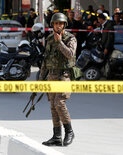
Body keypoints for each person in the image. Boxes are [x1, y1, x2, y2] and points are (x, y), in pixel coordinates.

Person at [39, 12, 77, 147]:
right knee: (53, 107)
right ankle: (57, 136)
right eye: (56, 23)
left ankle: (69, 131)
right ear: (53, 25)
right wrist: (40, 79)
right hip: (52, 75)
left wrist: (59, 42)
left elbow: (70, 54)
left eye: (61, 23)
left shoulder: (70, 38)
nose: (58, 26)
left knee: (59, 103)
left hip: (64, 75)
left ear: (64, 25)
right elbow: (46, 60)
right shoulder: (49, 39)